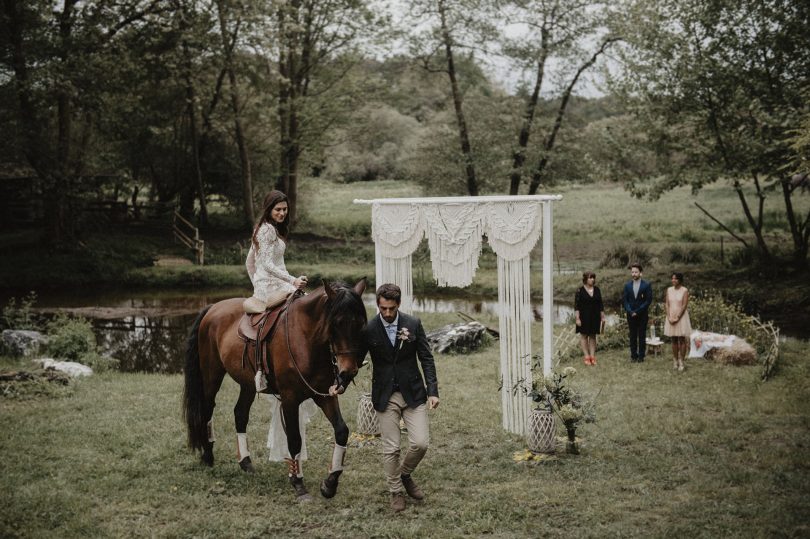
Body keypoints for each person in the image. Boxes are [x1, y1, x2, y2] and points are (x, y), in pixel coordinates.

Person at [243, 190, 314, 462]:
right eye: (278, 210)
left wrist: (258, 279)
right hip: (273, 284)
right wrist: (290, 280)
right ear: (269, 209)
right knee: (303, 304)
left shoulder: (267, 229)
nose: (282, 213)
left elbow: (250, 262)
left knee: (306, 307)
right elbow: (264, 264)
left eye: (285, 209)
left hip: (275, 281)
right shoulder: (266, 230)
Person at [361, 283, 439, 513]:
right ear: (378, 305)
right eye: (383, 308)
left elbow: (426, 358)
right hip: (385, 396)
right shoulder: (369, 329)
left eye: (391, 309)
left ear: (398, 305)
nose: (387, 313)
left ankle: (405, 474)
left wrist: (433, 390)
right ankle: (395, 491)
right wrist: (340, 382)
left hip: (413, 393)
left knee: (420, 443)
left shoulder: (412, 324)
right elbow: (355, 360)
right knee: (391, 448)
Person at [622, 263, 653, 363]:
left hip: (642, 314)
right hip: (630, 314)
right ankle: (633, 355)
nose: (634, 274)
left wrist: (638, 311)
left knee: (641, 335)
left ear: (641, 273)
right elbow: (625, 300)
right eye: (632, 272)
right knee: (632, 335)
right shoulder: (627, 285)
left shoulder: (646, 285)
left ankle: (641, 356)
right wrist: (630, 311)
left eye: (636, 272)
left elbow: (648, 300)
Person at [574, 271, 605, 366]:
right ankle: (586, 357)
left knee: (593, 336)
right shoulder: (579, 290)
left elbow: (600, 304)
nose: (592, 279)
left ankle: (592, 357)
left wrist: (602, 316)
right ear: (585, 279)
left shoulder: (597, 289)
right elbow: (576, 306)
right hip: (584, 317)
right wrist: (577, 318)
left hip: (595, 317)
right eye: (590, 278)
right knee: (584, 336)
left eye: (593, 278)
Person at [664, 272, 692, 372]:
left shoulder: (684, 290)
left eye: (675, 279)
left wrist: (678, 317)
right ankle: (675, 360)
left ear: (680, 280)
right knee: (674, 339)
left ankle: (681, 361)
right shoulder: (669, 290)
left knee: (682, 339)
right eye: (672, 279)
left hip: (681, 317)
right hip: (671, 316)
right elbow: (667, 304)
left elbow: (684, 305)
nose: (673, 280)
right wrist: (669, 316)